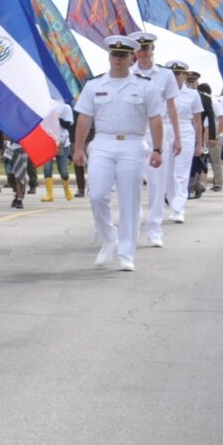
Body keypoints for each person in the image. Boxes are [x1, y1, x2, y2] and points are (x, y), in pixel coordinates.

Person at [72, 35, 167, 271]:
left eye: (123, 55)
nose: (118, 59)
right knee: (97, 195)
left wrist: (157, 149)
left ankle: (127, 253)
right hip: (103, 142)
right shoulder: (94, 85)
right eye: (114, 55)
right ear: (109, 56)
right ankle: (109, 238)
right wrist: (78, 148)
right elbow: (84, 118)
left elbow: (156, 119)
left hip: (132, 143)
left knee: (129, 200)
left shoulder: (145, 86)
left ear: (131, 57)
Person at [130, 34, 183, 247]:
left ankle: (154, 229)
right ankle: (130, 228)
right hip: (133, 130)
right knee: (131, 182)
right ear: (134, 51)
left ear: (153, 49)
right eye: (139, 49)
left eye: (146, 48)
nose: (143, 52)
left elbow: (172, 107)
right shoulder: (127, 72)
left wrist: (177, 137)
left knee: (157, 184)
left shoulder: (165, 75)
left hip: (158, 132)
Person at [161, 60, 203, 223]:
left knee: (181, 172)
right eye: (172, 73)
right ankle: (173, 203)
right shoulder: (160, 92)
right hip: (166, 130)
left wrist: (199, 144)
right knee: (168, 173)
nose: (175, 76)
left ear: (184, 75)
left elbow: (198, 121)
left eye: (178, 73)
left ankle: (179, 208)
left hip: (185, 131)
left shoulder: (192, 95)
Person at [42, 99, 75, 201]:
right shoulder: (46, 105)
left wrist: (57, 118)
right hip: (48, 142)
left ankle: (67, 189)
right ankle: (49, 194)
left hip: (61, 143)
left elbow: (68, 125)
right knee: (47, 168)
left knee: (63, 170)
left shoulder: (66, 107)